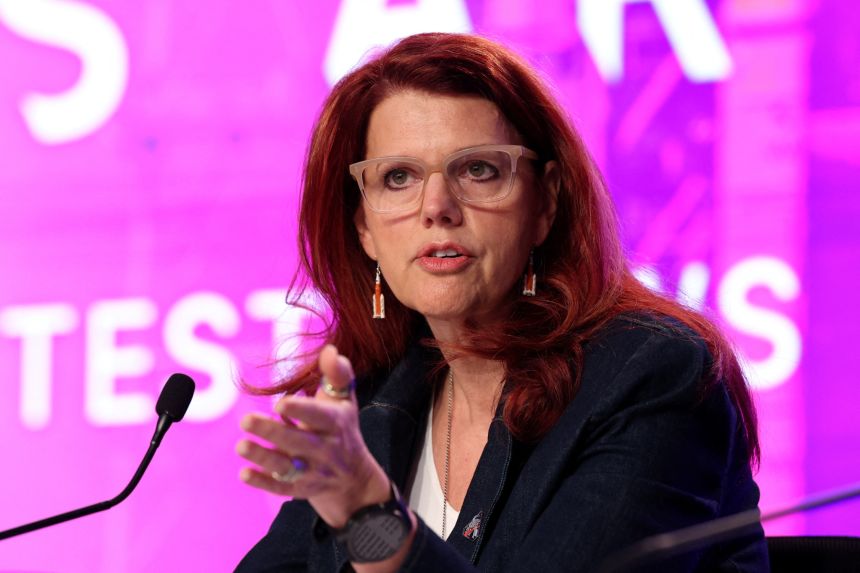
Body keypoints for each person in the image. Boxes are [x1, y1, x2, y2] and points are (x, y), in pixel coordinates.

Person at [234, 33, 769, 572]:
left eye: (478, 170)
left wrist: (372, 519)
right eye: (398, 178)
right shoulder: (375, 398)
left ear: (545, 202)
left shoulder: (652, 375)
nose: (437, 207)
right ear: (364, 228)